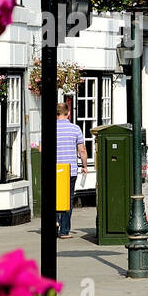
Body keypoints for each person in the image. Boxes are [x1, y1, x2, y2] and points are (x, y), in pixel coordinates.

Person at [53, 101, 88, 239]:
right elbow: (82, 150)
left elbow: (41, 149)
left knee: (54, 197)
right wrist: (84, 166)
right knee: (67, 199)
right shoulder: (75, 129)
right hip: (69, 170)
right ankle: (64, 231)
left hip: (54, 169)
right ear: (68, 113)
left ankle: (55, 221)